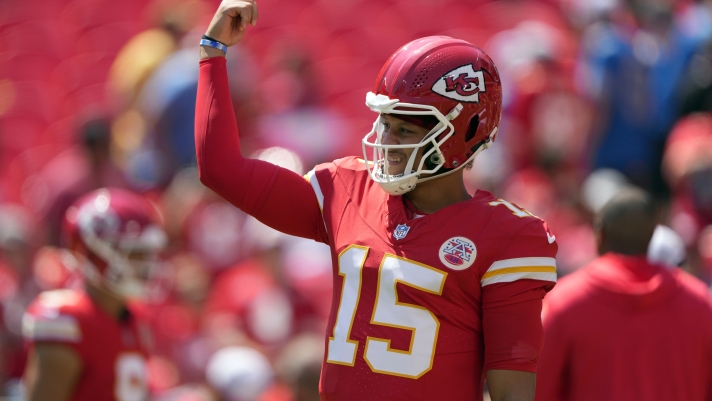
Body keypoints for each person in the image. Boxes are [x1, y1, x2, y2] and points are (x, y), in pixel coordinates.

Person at [195, 1, 558, 400]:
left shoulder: (507, 237)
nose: (386, 142)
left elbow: (513, 393)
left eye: (404, 129)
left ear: (464, 132)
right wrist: (214, 51)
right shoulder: (347, 190)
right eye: (385, 123)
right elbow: (220, 169)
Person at [535, 189, 712, 401]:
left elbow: (538, 391)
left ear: (599, 235)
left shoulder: (564, 302)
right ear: (652, 235)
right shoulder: (700, 303)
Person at [22, 188, 168, 401]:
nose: (145, 265)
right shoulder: (68, 320)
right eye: (132, 252)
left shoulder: (135, 318)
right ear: (89, 252)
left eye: (147, 253)